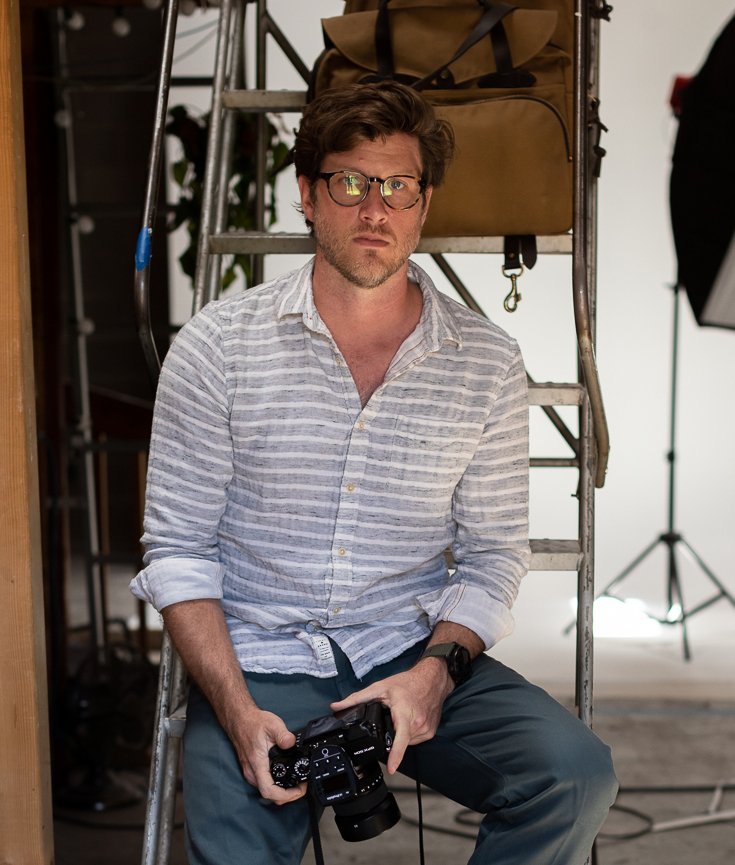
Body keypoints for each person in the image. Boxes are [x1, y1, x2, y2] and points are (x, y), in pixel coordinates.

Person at [131, 80, 617, 865]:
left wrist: (435, 671)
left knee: (572, 774)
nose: (374, 210)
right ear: (306, 195)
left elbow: (494, 553)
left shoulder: (485, 362)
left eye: (397, 187)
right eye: (350, 182)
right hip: (258, 660)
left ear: (424, 204)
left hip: (407, 648)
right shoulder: (217, 348)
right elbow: (179, 552)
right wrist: (233, 705)